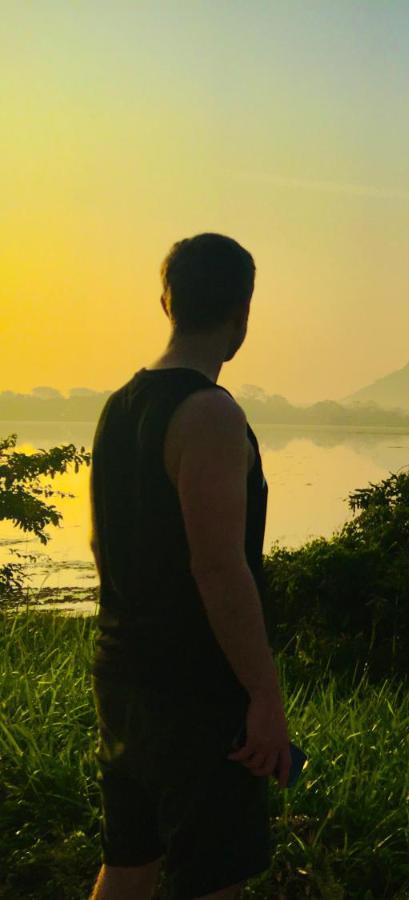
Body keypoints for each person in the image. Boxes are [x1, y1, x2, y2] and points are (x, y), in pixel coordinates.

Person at [88, 233, 290, 899]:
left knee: (129, 865)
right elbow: (219, 568)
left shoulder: (119, 407)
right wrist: (263, 693)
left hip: (124, 675)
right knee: (213, 880)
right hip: (195, 691)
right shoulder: (209, 413)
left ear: (167, 301)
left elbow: (102, 546)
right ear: (243, 314)